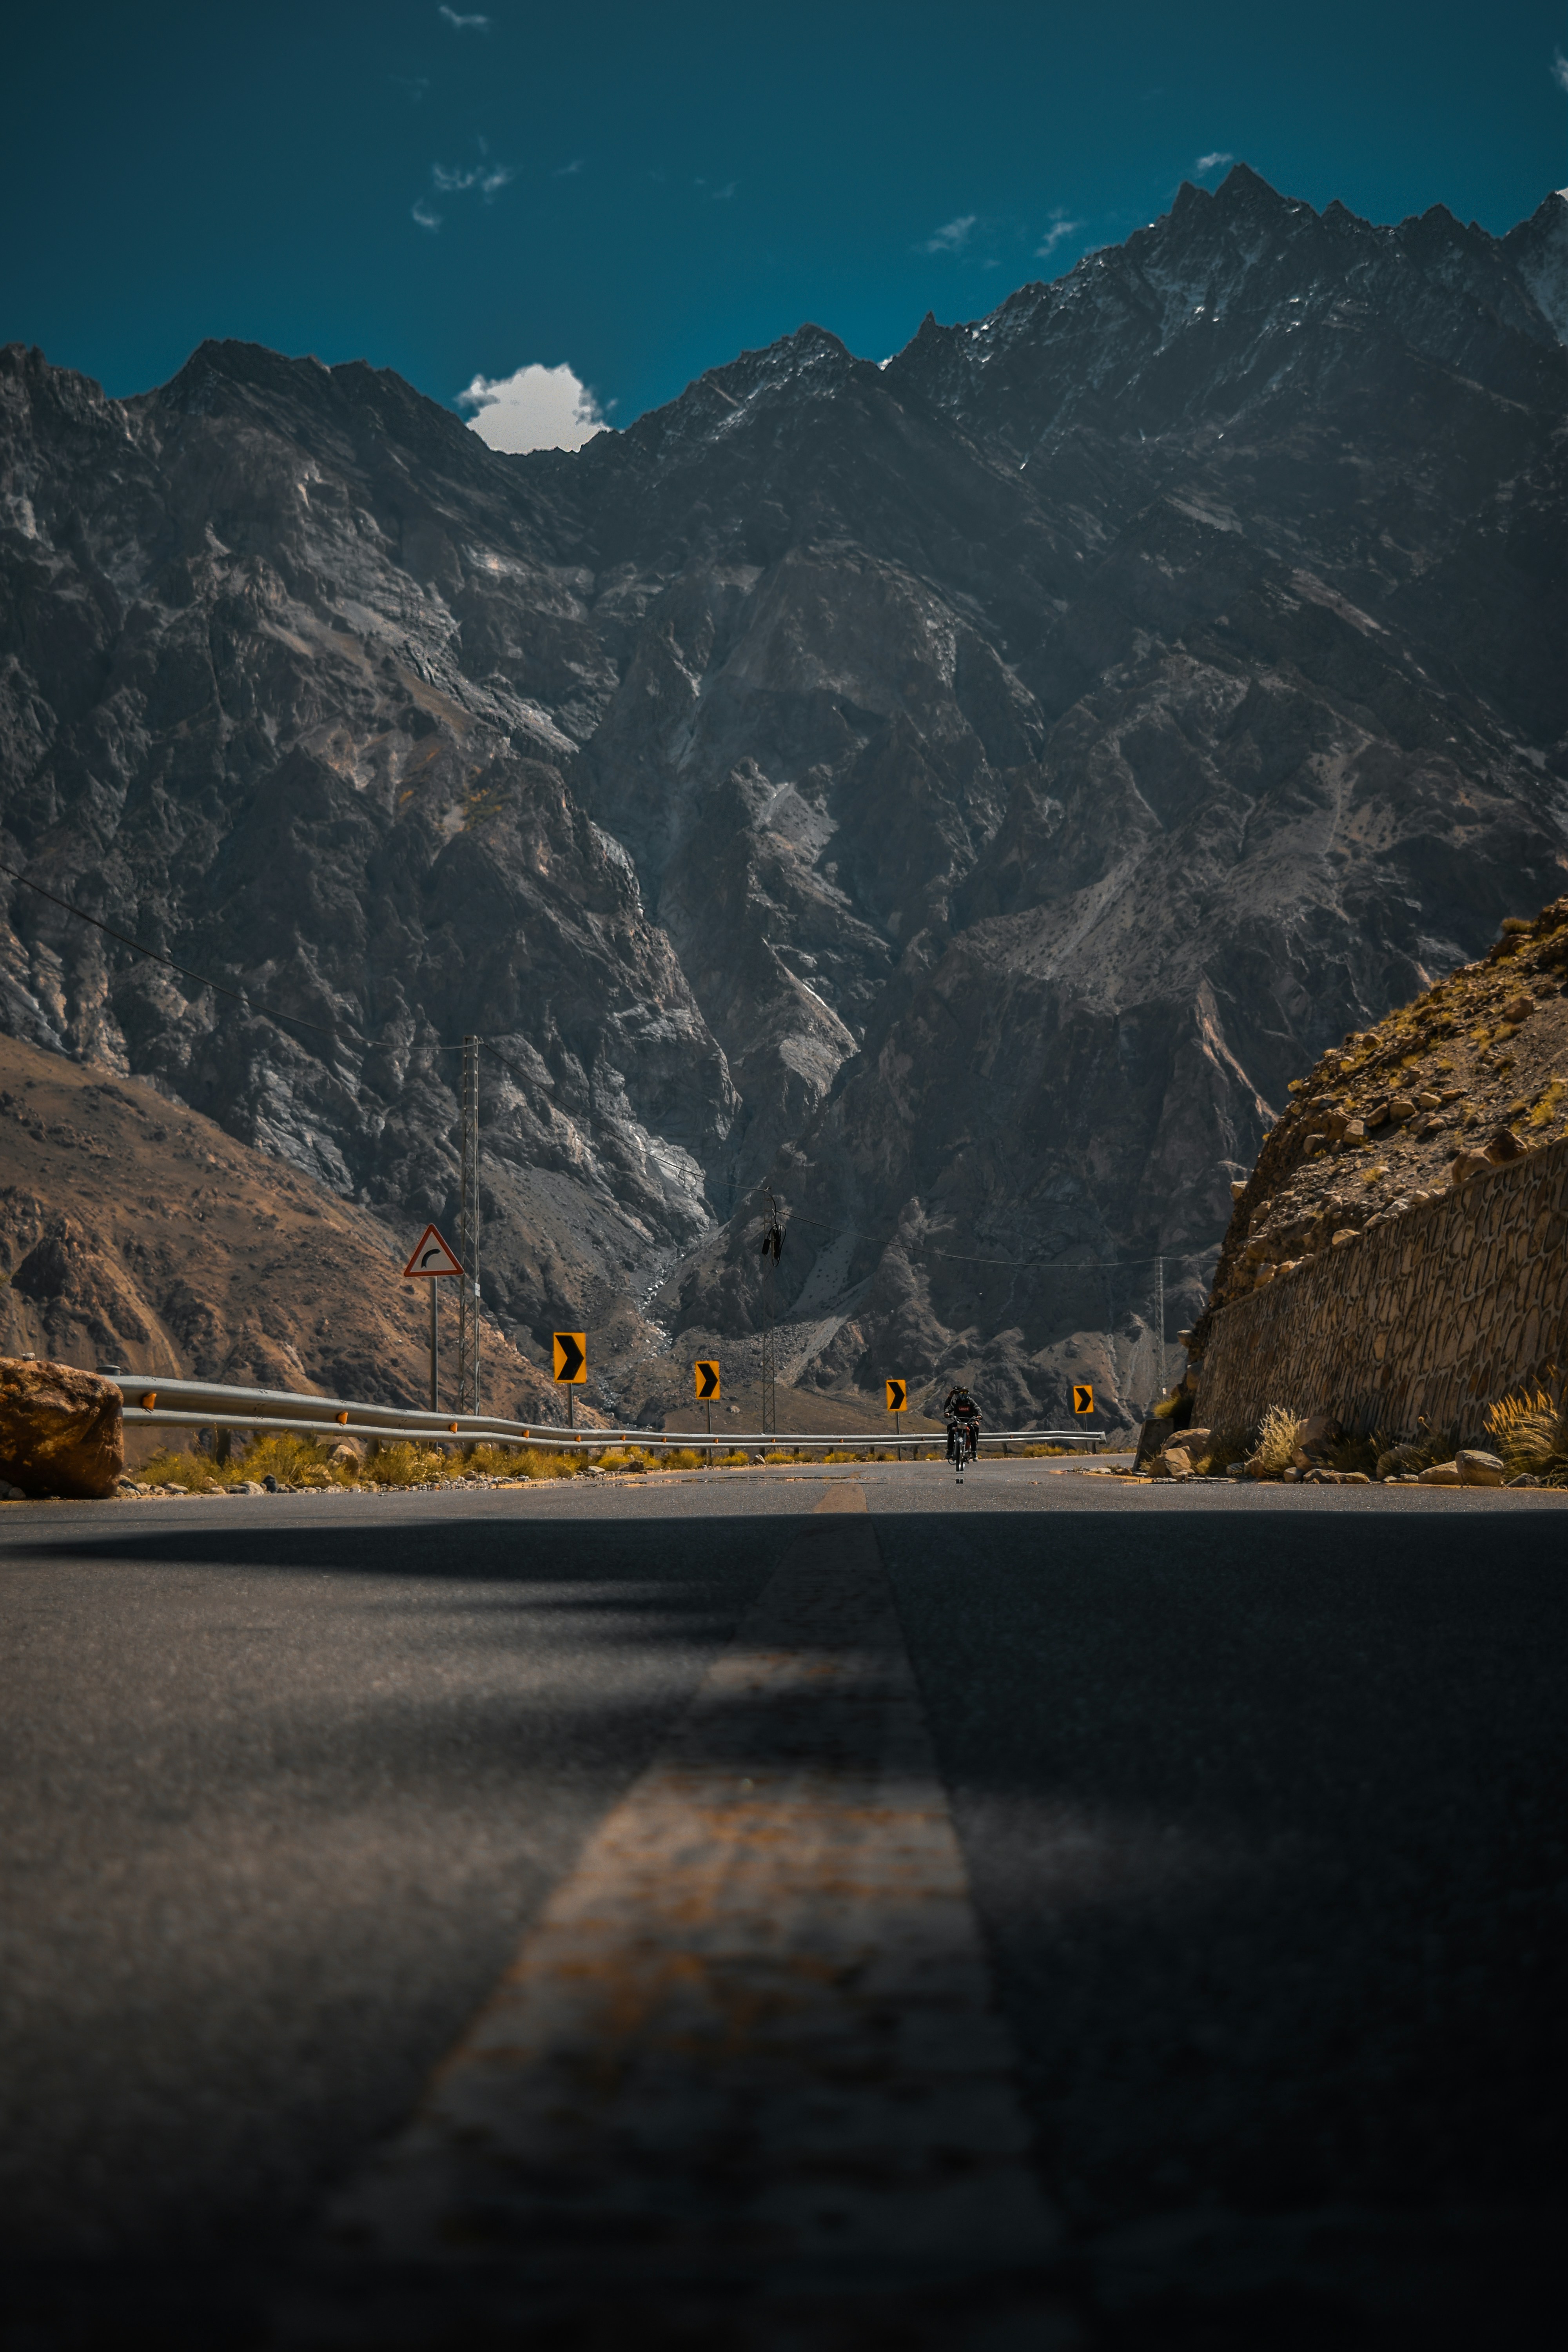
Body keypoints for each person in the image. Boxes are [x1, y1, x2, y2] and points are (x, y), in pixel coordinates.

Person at [943, 1384, 980, 1463]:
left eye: (965, 1393)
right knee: (951, 1429)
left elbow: (977, 1408)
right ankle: (950, 1450)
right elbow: (949, 1408)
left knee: (974, 1430)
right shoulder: (956, 1402)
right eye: (961, 1392)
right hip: (958, 1422)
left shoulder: (971, 1402)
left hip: (969, 1422)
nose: (963, 1394)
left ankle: (974, 1452)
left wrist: (979, 1416)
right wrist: (947, 1413)